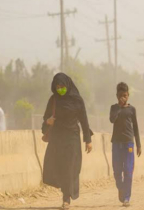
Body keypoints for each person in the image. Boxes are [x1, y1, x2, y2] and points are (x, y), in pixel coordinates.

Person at [42, 73, 93, 210]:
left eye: (62, 86)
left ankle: (66, 198)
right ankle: (65, 193)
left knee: (70, 167)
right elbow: (45, 120)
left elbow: (84, 120)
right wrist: (48, 121)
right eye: (57, 87)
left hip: (72, 138)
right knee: (59, 167)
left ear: (68, 85)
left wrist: (88, 140)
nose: (60, 89)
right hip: (57, 139)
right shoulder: (53, 100)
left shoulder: (77, 100)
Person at [110, 82, 142, 207]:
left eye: (125, 95)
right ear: (117, 96)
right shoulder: (114, 108)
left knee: (128, 171)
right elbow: (112, 120)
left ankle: (126, 197)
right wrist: (119, 107)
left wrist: (138, 144)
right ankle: (121, 188)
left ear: (128, 95)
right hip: (116, 144)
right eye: (120, 96)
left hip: (129, 143)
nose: (122, 98)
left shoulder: (132, 109)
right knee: (117, 171)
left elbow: (136, 127)